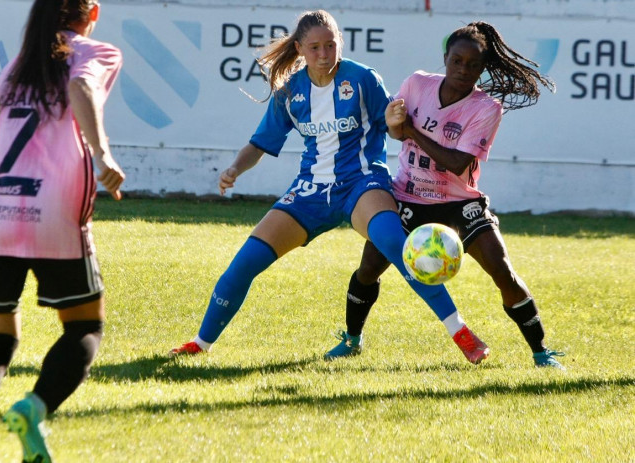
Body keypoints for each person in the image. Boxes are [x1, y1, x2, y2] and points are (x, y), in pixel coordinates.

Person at [169, 10, 489, 365]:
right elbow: (260, 143)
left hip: (363, 183)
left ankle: (460, 332)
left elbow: (394, 126)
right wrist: (234, 168)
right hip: (310, 190)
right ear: (300, 49)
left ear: (340, 43)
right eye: (315, 47)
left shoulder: (362, 78)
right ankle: (200, 343)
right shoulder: (290, 90)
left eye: (330, 45)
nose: (324, 54)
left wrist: (399, 124)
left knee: (396, 244)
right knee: (244, 263)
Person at [0, 1, 125, 462]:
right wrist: (102, 155)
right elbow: (82, 87)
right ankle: (35, 407)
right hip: (50, 210)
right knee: (85, 327)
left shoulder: (17, 67)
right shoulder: (96, 52)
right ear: (92, 12)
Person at [328, 21, 565, 369]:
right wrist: (396, 125)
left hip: (459, 203)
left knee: (503, 273)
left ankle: (542, 353)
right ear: (446, 57)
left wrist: (410, 130)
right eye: (457, 61)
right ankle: (351, 340)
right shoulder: (417, 83)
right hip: (408, 196)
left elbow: (456, 163)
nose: (463, 69)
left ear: (482, 68)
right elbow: (395, 131)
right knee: (368, 268)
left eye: (472, 64)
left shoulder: (486, 109)